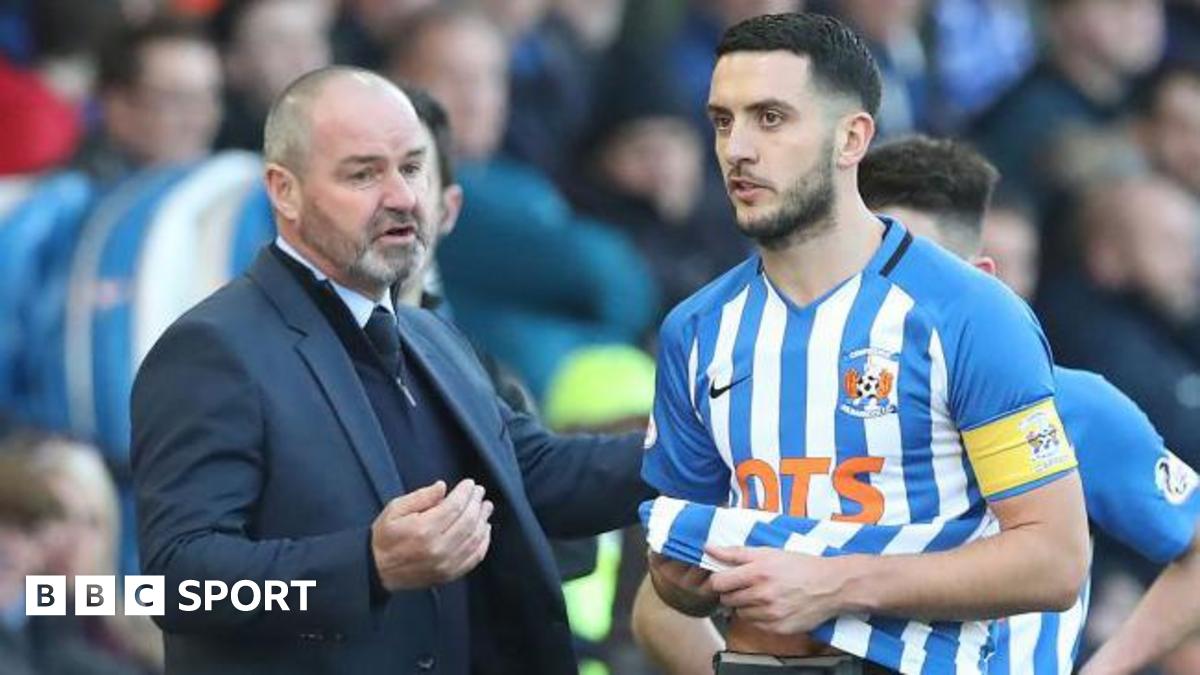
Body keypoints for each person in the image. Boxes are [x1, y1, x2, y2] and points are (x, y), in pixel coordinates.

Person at [131, 66, 649, 675]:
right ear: (284, 191)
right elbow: (184, 582)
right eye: (363, 173)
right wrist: (368, 566)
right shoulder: (212, 349)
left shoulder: (432, 335)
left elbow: (533, 474)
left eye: (410, 167)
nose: (401, 197)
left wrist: (702, 447)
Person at [640, 13, 1088, 674]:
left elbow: (1055, 558)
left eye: (770, 118)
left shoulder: (970, 313)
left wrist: (832, 582)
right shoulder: (696, 329)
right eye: (722, 120)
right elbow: (671, 560)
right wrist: (695, 571)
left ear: (852, 137)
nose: (738, 148)